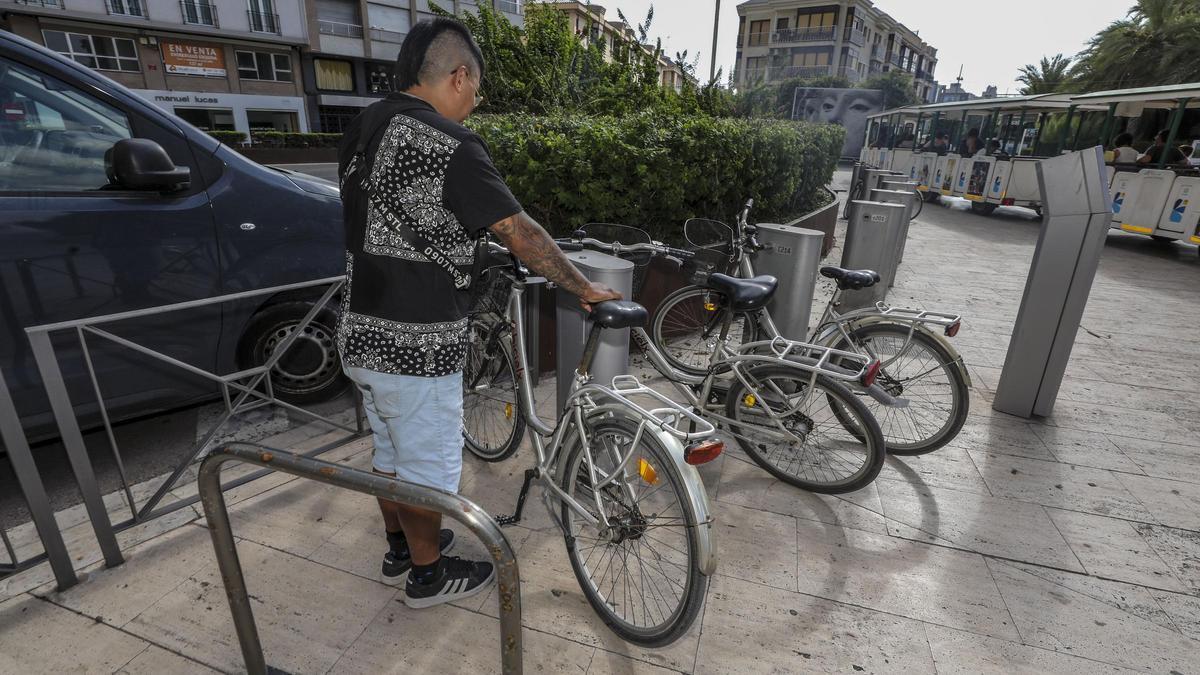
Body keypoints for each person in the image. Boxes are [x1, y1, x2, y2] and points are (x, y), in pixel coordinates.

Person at [336, 18, 621, 609]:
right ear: (458, 76)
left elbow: (406, 220)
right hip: (415, 341)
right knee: (427, 470)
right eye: (476, 88)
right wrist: (582, 286)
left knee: (390, 452)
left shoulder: (363, 126)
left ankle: (399, 548)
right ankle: (428, 576)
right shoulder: (449, 143)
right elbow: (519, 231)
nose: (475, 102)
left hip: (360, 329)